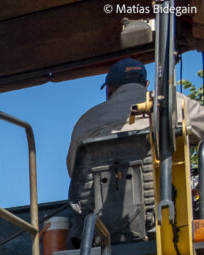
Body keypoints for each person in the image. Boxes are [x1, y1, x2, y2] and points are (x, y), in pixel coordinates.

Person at [66, 57, 204, 177]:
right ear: (146, 85)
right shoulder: (174, 102)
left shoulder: (86, 120)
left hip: (103, 206)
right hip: (172, 199)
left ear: (108, 89)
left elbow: (75, 172)